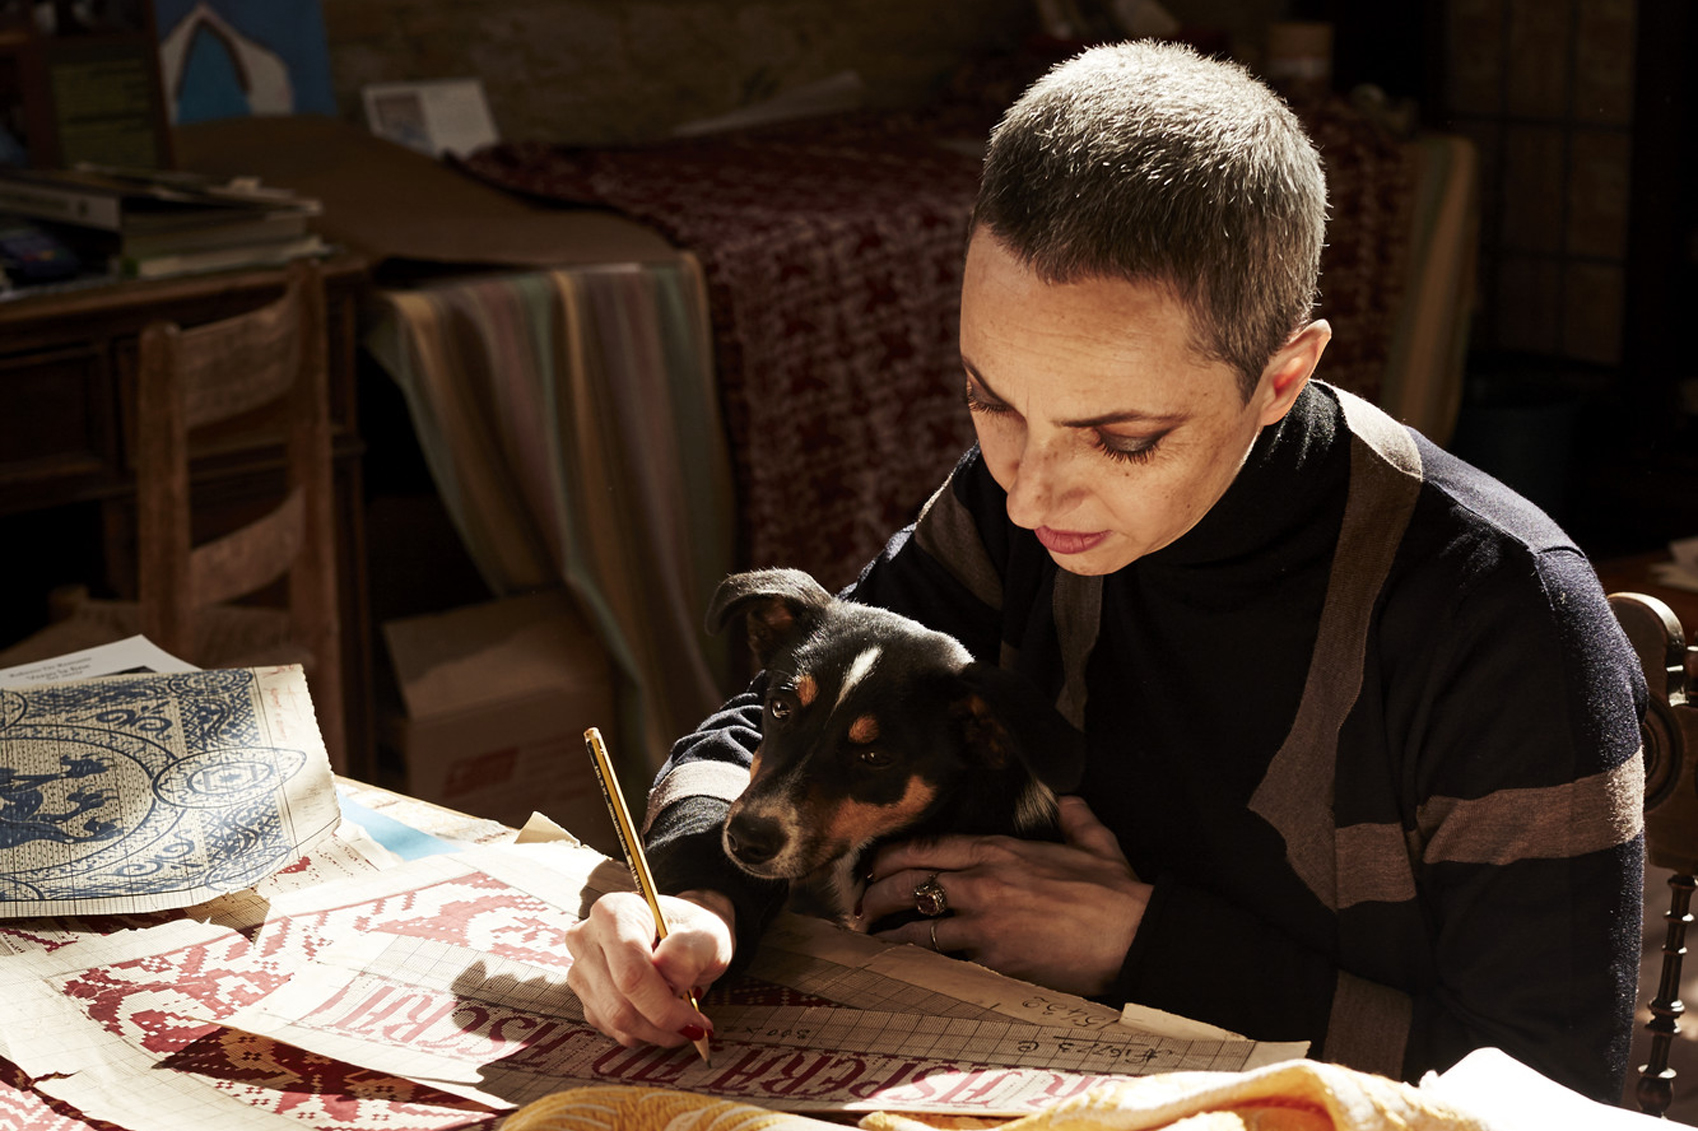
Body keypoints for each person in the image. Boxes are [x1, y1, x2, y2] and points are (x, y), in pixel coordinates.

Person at [564, 40, 1647, 1102]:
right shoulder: (1008, 503)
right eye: (992, 402)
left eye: (1123, 439)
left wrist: (1146, 943)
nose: (1032, 495)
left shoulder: (1505, 621)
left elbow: (1548, 1092)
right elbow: (776, 715)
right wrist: (697, 889)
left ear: (1284, 376)